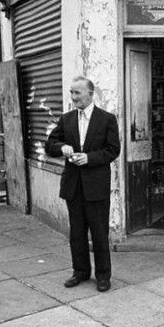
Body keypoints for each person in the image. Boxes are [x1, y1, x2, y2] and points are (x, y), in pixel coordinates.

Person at [45, 76, 120, 292]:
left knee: (99, 233)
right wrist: (62, 147)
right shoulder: (66, 119)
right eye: (71, 92)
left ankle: (103, 276)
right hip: (73, 186)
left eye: (77, 93)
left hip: (96, 186)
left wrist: (89, 158)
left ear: (90, 93)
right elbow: (50, 144)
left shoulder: (106, 119)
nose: (73, 97)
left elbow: (113, 150)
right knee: (77, 233)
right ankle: (80, 271)